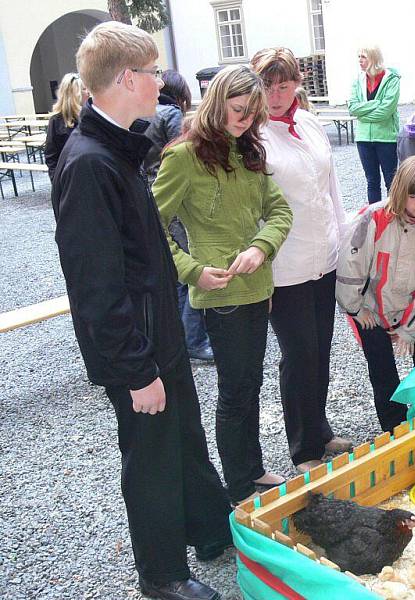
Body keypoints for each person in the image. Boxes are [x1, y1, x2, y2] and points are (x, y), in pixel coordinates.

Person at [51, 21, 232, 600]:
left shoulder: (119, 148)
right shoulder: (89, 165)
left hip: (159, 339)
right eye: (153, 72)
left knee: (186, 439)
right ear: (127, 78)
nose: (161, 83)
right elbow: (97, 288)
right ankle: (161, 573)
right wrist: (136, 371)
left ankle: (209, 530)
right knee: (151, 460)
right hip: (137, 351)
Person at [152, 65, 293, 504]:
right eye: (237, 110)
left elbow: (280, 212)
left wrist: (261, 248)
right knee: (235, 390)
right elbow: (150, 228)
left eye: (252, 113)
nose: (245, 119)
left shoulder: (249, 151)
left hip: (258, 289)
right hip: (221, 295)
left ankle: (251, 470)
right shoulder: (183, 156)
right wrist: (191, 270)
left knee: (250, 383)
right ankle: (238, 485)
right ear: (217, 103)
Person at [250, 47, 353, 474]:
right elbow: (254, 210)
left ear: (297, 84)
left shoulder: (310, 123)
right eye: (267, 85)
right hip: (285, 265)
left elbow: (331, 191)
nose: (276, 94)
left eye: (284, 84)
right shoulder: (251, 136)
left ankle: (321, 428)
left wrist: (344, 243)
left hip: (323, 256)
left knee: (322, 350)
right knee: (299, 354)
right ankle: (303, 446)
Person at [336, 156, 415, 432]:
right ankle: (393, 427)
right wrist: (356, 308)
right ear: (400, 191)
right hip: (371, 309)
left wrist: (410, 329)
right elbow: (351, 265)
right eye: (413, 197)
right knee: (383, 372)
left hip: (409, 309)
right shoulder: (373, 218)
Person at [143, 69, 214, 363]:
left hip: (151, 187)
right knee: (191, 270)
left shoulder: (146, 113)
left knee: (175, 276)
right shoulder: (170, 115)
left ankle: (181, 336)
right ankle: (194, 338)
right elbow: (187, 152)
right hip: (177, 197)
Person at [348, 45, 401, 204]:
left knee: (391, 182)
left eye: (363, 57)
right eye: (359, 57)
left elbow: (386, 110)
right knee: (372, 182)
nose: (360, 60)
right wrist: (375, 104)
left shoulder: (391, 79)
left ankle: (394, 218)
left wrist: (363, 114)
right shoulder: (358, 80)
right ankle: (374, 219)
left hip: (386, 138)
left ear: (373, 58)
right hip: (364, 139)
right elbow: (352, 107)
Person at [44, 72, 89, 181]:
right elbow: (51, 156)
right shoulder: (56, 121)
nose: (88, 92)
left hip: (90, 175)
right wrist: (57, 181)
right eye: (84, 89)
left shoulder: (90, 116)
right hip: (69, 179)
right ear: (74, 94)